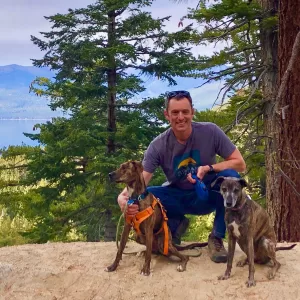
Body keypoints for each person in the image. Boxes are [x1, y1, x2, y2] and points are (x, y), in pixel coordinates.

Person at [117, 90, 246, 263]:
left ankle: (216, 237)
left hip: (207, 194)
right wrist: (123, 198)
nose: (180, 117)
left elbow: (240, 163)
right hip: (177, 196)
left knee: (231, 176)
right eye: (175, 112)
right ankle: (173, 228)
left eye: (185, 112)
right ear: (166, 115)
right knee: (151, 195)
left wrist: (209, 168)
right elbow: (141, 182)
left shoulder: (211, 132)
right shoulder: (158, 145)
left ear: (192, 112)